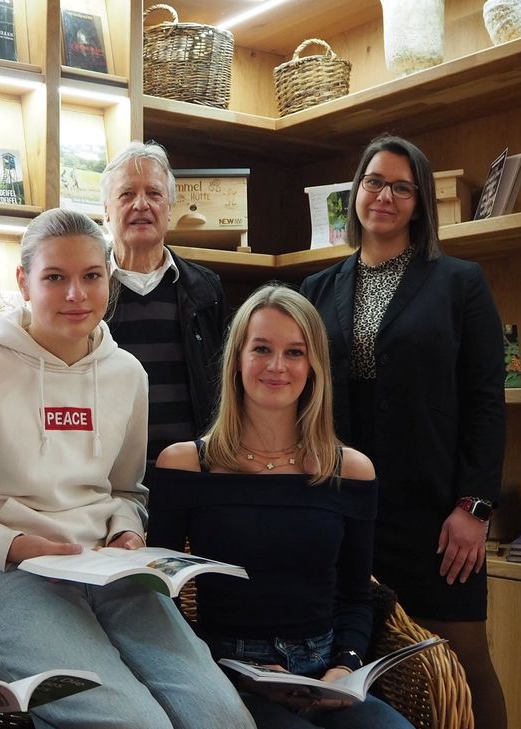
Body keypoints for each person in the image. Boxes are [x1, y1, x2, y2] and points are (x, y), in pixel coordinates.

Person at [0, 208, 255, 729]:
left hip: (107, 573)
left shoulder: (127, 375)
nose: (76, 295)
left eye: (91, 276)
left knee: (224, 718)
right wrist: (11, 544)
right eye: (55, 278)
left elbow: (127, 491)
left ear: (109, 279)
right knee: (137, 724)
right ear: (23, 282)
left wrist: (126, 533)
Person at [300, 135, 508, 729]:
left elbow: (487, 402)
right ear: (355, 194)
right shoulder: (317, 291)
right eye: (372, 182)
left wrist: (475, 505)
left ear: (420, 203)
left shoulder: (459, 283)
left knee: (464, 659)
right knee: (361, 659)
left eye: (400, 186)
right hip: (345, 507)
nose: (383, 196)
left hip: (438, 514)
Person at [149, 285, 413, 729]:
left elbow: (356, 595)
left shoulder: (351, 471)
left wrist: (344, 669)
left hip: (326, 675)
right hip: (228, 676)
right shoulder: (185, 463)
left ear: (313, 368)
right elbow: (158, 599)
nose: (277, 366)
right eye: (262, 349)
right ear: (237, 359)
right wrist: (223, 668)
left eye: (294, 352)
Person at [101, 142, 225, 462]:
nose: (141, 204)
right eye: (127, 194)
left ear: (170, 207)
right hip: (101, 477)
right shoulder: (85, 289)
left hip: (188, 475)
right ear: (105, 210)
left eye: (154, 194)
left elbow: (222, 390)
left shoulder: (206, 290)